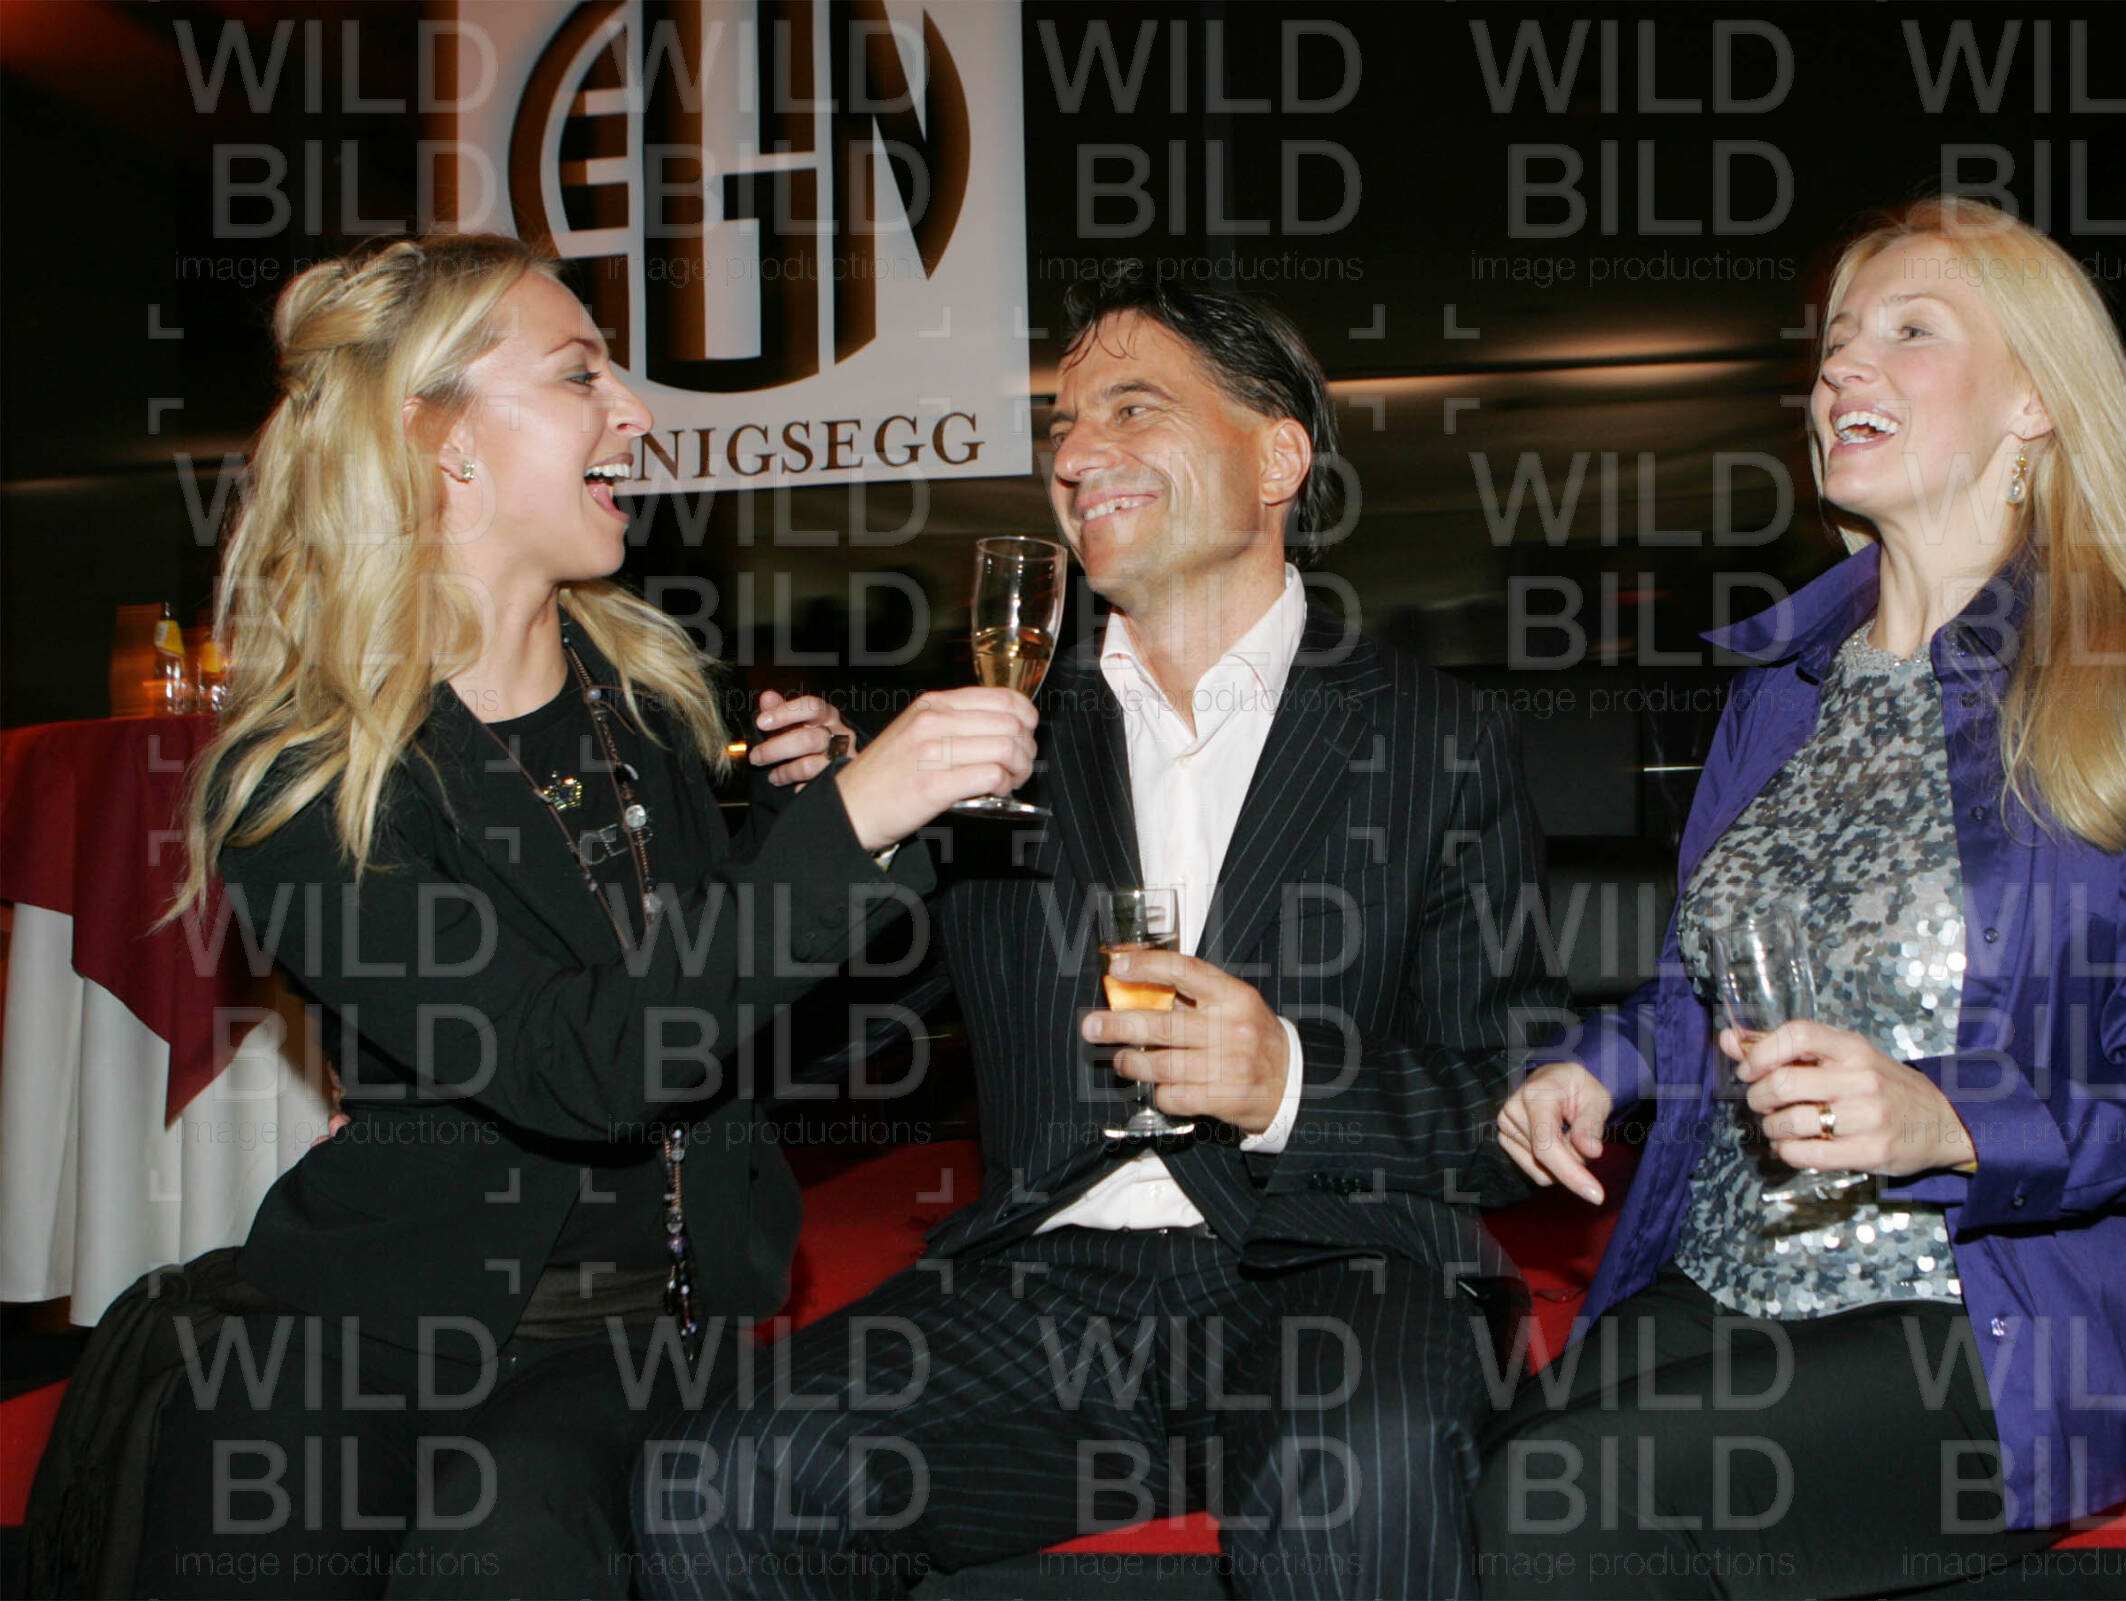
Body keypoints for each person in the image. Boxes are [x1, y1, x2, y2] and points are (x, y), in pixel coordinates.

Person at [637, 266, 1566, 1598]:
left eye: (1134, 410)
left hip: (1336, 1266)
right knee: (718, 1482)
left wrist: (1288, 1083)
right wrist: (849, 828)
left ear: (1277, 458)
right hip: (1043, 1285)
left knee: (1354, 1474)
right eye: (1063, 428)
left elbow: (1514, 1104)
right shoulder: (991, 736)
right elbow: (829, 1028)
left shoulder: (1438, 738)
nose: (1076, 458)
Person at [133, 234, 1037, 1599]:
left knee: (499, 1549)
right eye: (580, 375)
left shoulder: (659, 711)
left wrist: (867, 844)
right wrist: (838, 835)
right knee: (243, 1536)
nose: (637, 413)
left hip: (630, 1334)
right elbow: (576, 1061)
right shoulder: (301, 777)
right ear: (442, 440)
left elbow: (750, 1034)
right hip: (366, 1312)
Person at [1474, 196, 2126, 1599]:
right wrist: (1596, 1065)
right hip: (1727, 1268)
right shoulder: (1781, 694)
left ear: (2035, 403)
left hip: (1988, 1319)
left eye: (1912, 331)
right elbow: (1704, 993)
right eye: (1838, 340)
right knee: (1480, 1477)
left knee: (1563, 1506)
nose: (1844, 365)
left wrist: (1948, 1120)